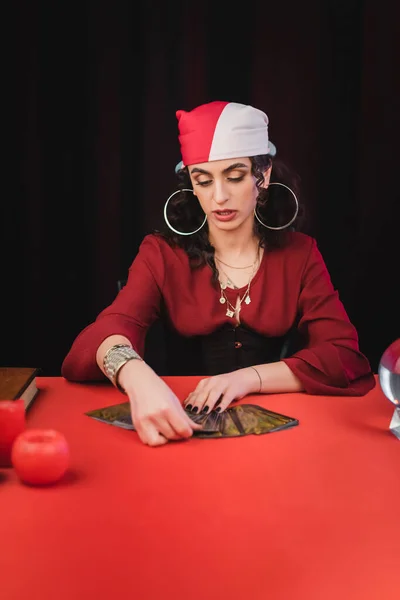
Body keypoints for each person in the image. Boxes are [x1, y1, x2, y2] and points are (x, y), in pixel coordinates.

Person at [62, 100, 376, 447]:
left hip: (278, 440)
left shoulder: (300, 254)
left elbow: (343, 355)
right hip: (177, 430)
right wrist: (137, 376)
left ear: (264, 175)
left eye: (235, 176)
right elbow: (103, 334)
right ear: (191, 185)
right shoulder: (162, 254)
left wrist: (248, 378)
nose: (220, 197)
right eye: (204, 180)